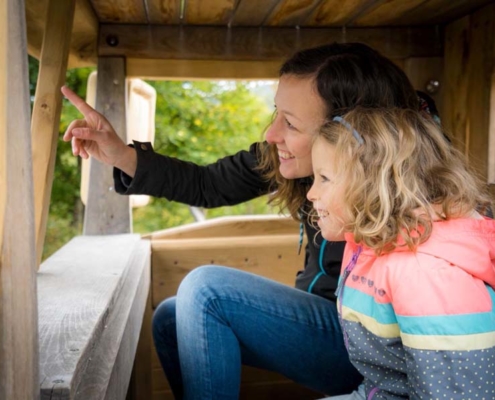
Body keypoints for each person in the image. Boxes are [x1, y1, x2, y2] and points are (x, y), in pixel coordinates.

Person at [62, 43, 434, 399]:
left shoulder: (413, 189)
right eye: (276, 114)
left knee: (207, 290)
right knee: (170, 318)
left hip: (371, 347)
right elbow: (206, 184)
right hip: (321, 322)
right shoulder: (290, 157)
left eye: (290, 123)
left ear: (348, 131)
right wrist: (120, 155)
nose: (272, 135)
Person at [307, 108, 495, 399]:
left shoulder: (427, 276)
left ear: (376, 184)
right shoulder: (368, 247)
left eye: (324, 178)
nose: (311, 193)